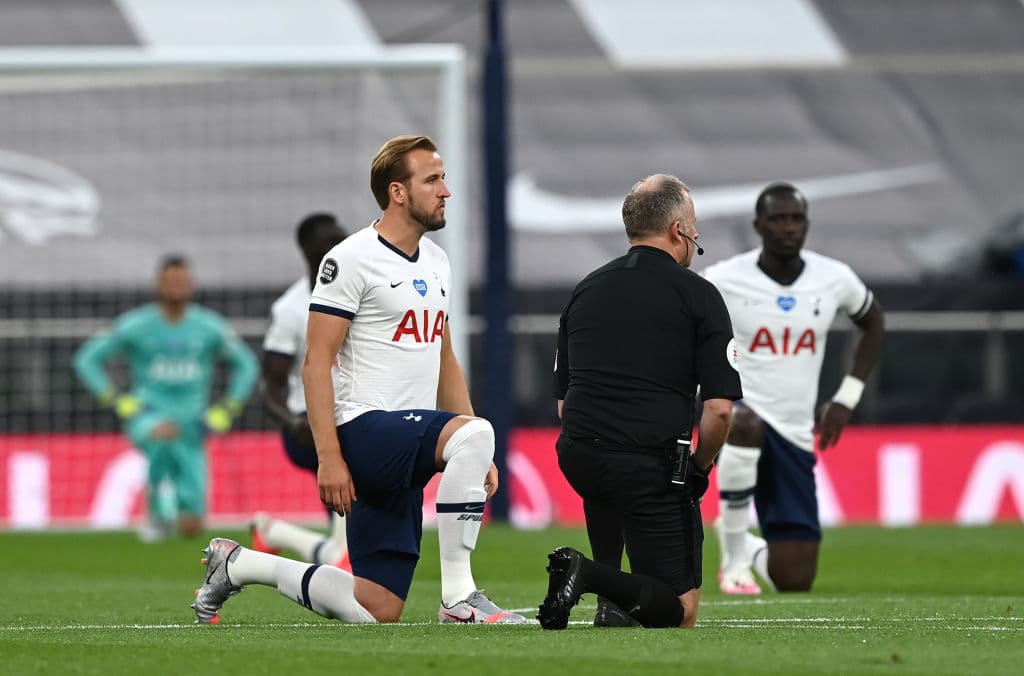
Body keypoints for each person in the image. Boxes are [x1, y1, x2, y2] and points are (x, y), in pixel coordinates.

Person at [191, 135, 526, 625]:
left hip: (405, 442)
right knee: (476, 434)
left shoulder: (436, 262)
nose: (445, 190)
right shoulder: (350, 258)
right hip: (366, 428)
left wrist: (473, 447)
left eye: (443, 178)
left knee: (377, 606)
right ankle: (460, 598)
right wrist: (329, 457)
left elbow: (445, 358)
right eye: (432, 179)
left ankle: (240, 564)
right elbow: (315, 361)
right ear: (397, 192)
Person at [538, 174, 742, 630]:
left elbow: (565, 407)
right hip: (646, 464)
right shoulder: (699, 295)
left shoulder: (586, 289)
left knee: (605, 469)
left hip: (579, 456)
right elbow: (720, 410)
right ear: (677, 230)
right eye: (694, 226)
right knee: (680, 611)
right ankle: (587, 573)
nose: (696, 236)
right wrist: (700, 468)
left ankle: (611, 600)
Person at [703, 182, 885, 594]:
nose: (788, 227)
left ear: (806, 224)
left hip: (795, 431)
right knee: (744, 423)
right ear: (758, 225)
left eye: (796, 218)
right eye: (777, 218)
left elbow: (873, 321)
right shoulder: (724, 278)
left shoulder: (833, 277)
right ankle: (733, 560)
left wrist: (846, 397)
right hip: (739, 411)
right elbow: (681, 321)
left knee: (795, 579)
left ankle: (744, 545)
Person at [73, 254, 258, 541]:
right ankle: (157, 513)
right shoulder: (136, 324)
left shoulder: (209, 326)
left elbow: (247, 365)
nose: (177, 286)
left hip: (194, 424)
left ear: (191, 284)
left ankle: (181, 510)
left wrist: (227, 409)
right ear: (158, 284)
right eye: (170, 281)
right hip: (148, 414)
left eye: (182, 281)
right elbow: (87, 359)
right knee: (163, 433)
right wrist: (117, 400)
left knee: (192, 527)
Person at [251, 212, 351, 570]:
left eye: (343, 239)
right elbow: (270, 386)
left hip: (357, 417)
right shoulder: (292, 310)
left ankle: (274, 532)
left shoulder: (365, 296)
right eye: (330, 243)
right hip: (308, 429)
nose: (340, 248)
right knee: (354, 466)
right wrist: (291, 421)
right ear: (308, 251)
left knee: (350, 551)